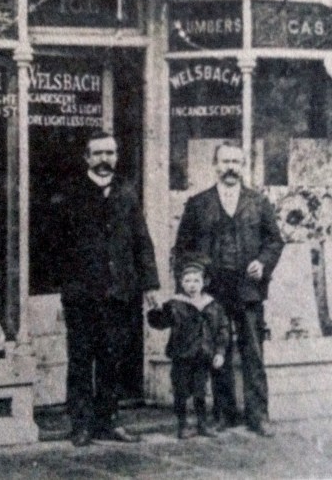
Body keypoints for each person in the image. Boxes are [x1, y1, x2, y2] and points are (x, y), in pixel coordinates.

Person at [42, 131, 160, 446]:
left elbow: (141, 240)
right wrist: (64, 286)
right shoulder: (70, 194)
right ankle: (81, 424)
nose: (105, 159)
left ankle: (107, 420)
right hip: (81, 295)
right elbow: (54, 246)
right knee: (81, 359)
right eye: (98, 153)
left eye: (110, 153)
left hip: (119, 293)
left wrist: (150, 284)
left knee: (112, 359)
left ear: (116, 157)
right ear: (87, 158)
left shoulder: (126, 192)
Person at [174, 141, 284, 437]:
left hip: (248, 290)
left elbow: (274, 241)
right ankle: (225, 414)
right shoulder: (198, 204)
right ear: (215, 165)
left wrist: (262, 263)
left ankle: (258, 416)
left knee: (253, 352)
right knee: (217, 352)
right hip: (214, 292)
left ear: (243, 165)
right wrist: (191, 285)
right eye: (225, 162)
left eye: (236, 162)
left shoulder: (258, 202)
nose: (231, 168)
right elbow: (182, 248)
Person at [147, 259, 230, 439]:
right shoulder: (175, 304)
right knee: (181, 391)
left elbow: (222, 329)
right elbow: (160, 323)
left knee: (200, 391)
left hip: (203, 355)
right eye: (187, 281)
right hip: (182, 356)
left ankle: (202, 424)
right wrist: (156, 310)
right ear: (181, 283)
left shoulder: (213, 305)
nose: (192, 285)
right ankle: (182, 425)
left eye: (196, 281)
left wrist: (220, 352)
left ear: (204, 282)